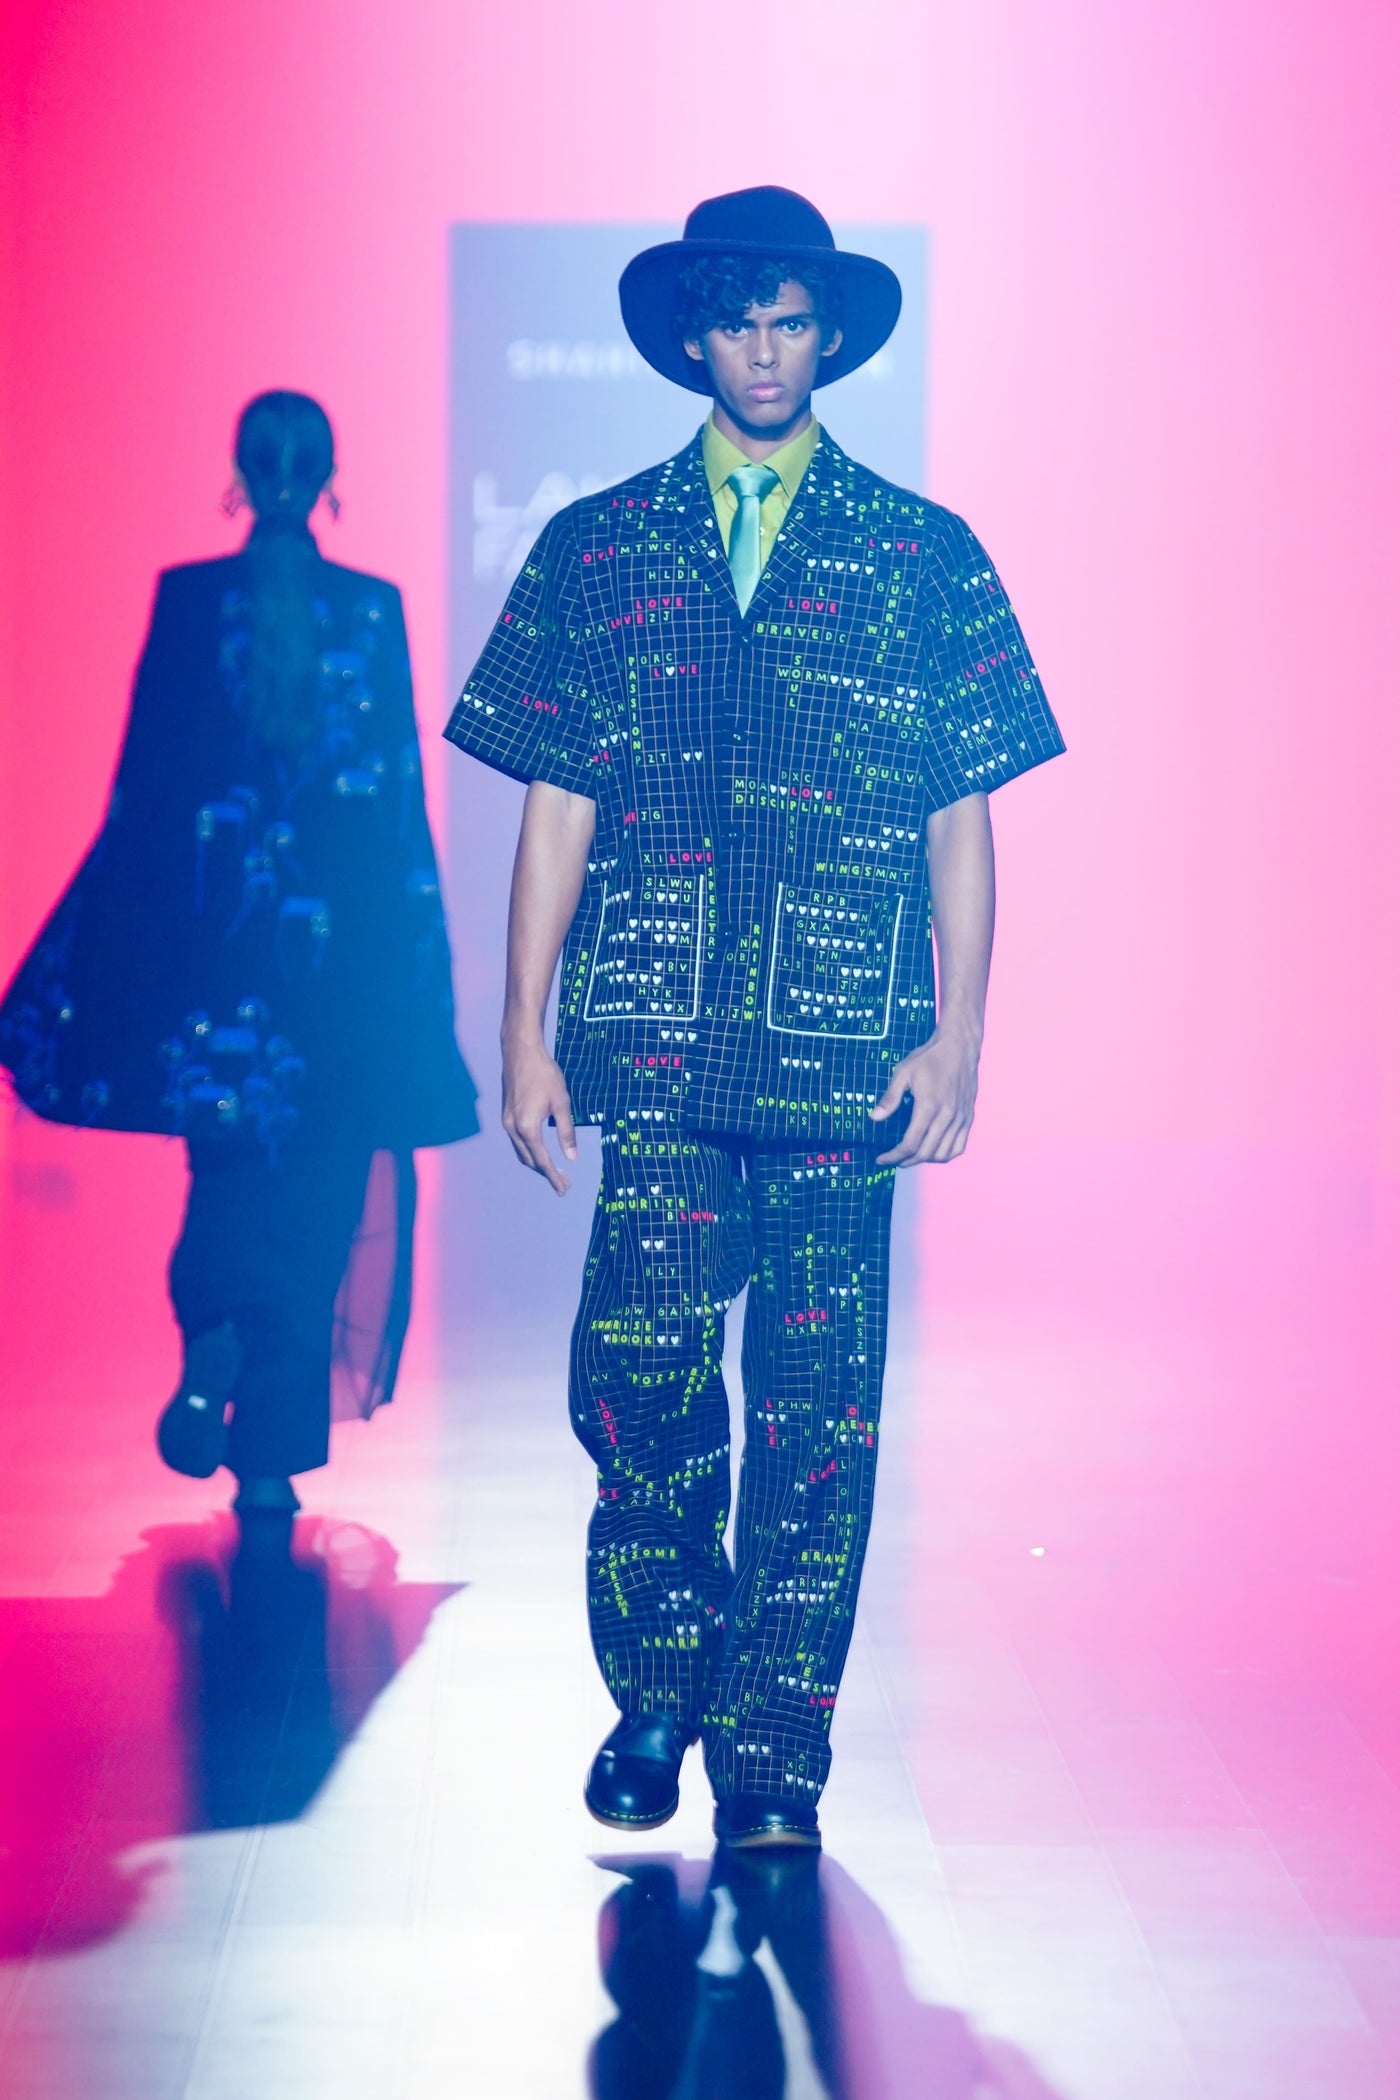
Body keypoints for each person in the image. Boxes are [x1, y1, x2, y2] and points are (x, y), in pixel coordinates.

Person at [446, 187, 1064, 1849]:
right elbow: (557, 801)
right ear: (695, 338)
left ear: (830, 336)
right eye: (739, 322)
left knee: (817, 1413)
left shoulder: (922, 555)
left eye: (791, 321)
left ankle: (771, 1757)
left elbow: (961, 812)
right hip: (654, 1039)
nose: (766, 351)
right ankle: (663, 1680)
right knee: (635, 1373)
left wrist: (960, 1034)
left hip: (843, 1052)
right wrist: (522, 1033)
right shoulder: (599, 548)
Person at [1, 391, 477, 1516]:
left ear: (241, 475)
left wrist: (98, 962)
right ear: (327, 480)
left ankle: (212, 1330)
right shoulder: (370, 610)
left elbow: (145, 800)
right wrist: (418, 978)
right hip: (339, 973)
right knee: (318, 1196)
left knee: (223, 1173)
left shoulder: (188, 601)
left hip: (216, 974)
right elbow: (391, 812)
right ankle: (265, 1463)